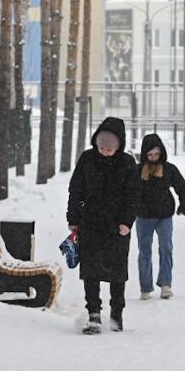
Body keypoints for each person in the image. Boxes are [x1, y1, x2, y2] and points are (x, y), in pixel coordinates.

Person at [67, 117, 139, 334]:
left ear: (118, 146)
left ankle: (117, 314)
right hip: (90, 222)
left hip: (117, 226)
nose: (105, 152)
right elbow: (76, 189)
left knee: (117, 271)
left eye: (109, 149)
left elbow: (133, 196)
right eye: (101, 147)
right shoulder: (87, 159)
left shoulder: (127, 163)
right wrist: (73, 218)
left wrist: (127, 221)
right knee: (90, 269)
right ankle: (94, 313)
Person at [135, 133, 185, 300]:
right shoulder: (137, 171)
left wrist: (184, 206)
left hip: (164, 216)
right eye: (150, 155)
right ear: (145, 154)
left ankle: (166, 284)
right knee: (144, 252)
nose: (153, 158)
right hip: (143, 217)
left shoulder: (169, 169)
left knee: (166, 248)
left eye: (156, 154)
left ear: (162, 153)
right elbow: (127, 193)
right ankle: (145, 287)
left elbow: (183, 187)